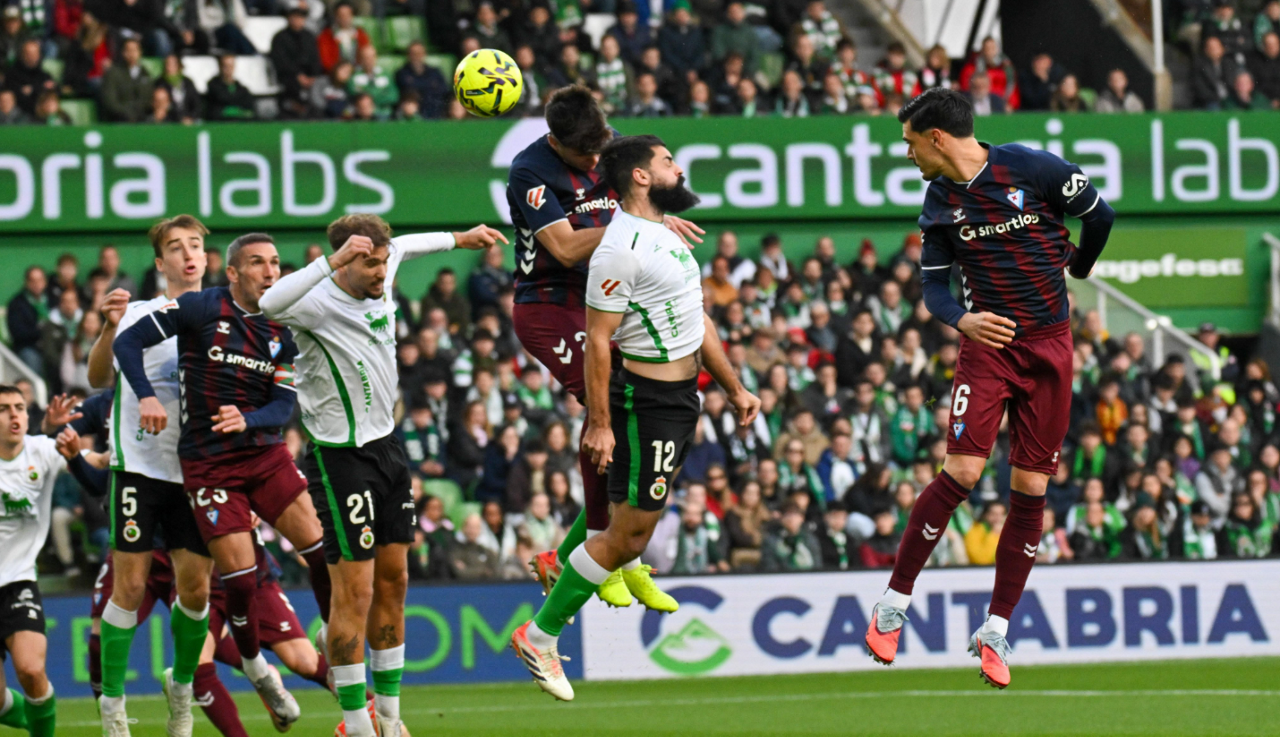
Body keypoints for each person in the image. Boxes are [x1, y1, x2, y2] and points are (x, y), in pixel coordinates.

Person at [864, 87, 1115, 689]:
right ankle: (893, 604)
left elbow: (1100, 215)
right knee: (964, 474)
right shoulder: (938, 203)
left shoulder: (1033, 167)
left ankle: (996, 629)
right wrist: (962, 319)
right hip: (989, 348)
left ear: (936, 138)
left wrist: (1078, 268)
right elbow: (933, 289)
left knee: (1031, 488)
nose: (907, 156)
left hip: (1051, 346)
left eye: (908, 144)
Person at [512, 134, 760, 702]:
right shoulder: (621, 246)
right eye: (669, 161)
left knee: (626, 529)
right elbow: (598, 341)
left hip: (678, 402)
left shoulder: (662, 236)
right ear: (642, 178)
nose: (679, 167)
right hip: (644, 403)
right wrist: (599, 422)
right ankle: (539, 634)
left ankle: (557, 570)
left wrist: (735, 387)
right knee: (628, 536)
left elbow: (696, 319)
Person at [258, 214, 500, 737]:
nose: (382, 269)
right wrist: (330, 263)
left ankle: (389, 716)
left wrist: (462, 238)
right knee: (356, 595)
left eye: (383, 259)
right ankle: (354, 723)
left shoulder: (384, 268)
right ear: (346, 259)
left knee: (396, 582)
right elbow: (267, 303)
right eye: (369, 260)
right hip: (339, 459)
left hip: (388, 449)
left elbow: (410, 245)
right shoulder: (314, 300)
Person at [113, 232, 337, 731]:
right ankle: (255, 663)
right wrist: (147, 396)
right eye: (257, 263)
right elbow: (129, 342)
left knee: (322, 549)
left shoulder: (284, 326)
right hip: (209, 465)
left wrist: (250, 420)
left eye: (275, 262)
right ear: (233, 273)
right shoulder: (199, 307)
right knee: (235, 578)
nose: (270, 271)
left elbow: (283, 404)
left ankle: (333, 640)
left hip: (263, 453)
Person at [506, 86, 699, 613]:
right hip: (549, 306)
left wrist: (654, 218)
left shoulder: (608, 148)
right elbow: (566, 247)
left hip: (608, 297)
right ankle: (609, 552)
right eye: (584, 156)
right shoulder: (529, 172)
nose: (596, 163)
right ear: (555, 141)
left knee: (631, 407)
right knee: (604, 413)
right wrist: (636, 224)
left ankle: (572, 557)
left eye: (600, 150)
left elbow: (643, 200)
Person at [85, 216, 218, 737]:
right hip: (139, 467)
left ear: (206, 257)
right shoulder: (139, 313)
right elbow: (97, 377)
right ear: (160, 263)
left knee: (197, 593)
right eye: (175, 248)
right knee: (130, 586)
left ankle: (181, 692)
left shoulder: (222, 315)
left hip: (197, 471)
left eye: (196, 245)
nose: (188, 254)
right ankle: (113, 709)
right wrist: (107, 327)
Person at [0, 386, 66, 737]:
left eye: (20, 407)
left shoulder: (42, 450)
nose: (14, 415)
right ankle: (38, 717)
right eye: (4, 409)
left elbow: (94, 461)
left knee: (30, 669)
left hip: (18, 582)